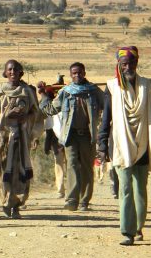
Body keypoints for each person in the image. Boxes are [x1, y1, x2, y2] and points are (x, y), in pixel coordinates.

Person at [98, 46, 151, 245]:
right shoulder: (112, 87)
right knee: (124, 188)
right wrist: (101, 144)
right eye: (124, 64)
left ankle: (139, 227)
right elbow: (106, 118)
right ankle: (127, 232)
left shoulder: (149, 86)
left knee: (140, 188)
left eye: (131, 63)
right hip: (121, 145)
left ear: (137, 63)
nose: (128, 67)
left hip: (144, 143)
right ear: (119, 65)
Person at [39, 62, 103, 211]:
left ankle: (84, 201)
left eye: (80, 72)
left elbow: (106, 105)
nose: (77, 75)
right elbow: (51, 109)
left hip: (88, 135)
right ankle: (72, 200)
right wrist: (43, 95)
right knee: (72, 165)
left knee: (87, 168)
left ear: (84, 73)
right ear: (70, 75)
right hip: (71, 135)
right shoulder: (66, 92)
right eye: (74, 73)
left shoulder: (93, 91)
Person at [0, 60, 44, 218]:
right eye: (9, 70)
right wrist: (7, 115)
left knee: (19, 171)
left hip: (21, 138)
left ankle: (16, 204)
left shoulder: (27, 92)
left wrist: (25, 117)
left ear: (21, 73)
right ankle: (6, 201)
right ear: (5, 72)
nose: (12, 72)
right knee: (3, 171)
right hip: (4, 140)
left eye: (16, 70)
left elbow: (36, 114)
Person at [42, 75, 66, 198]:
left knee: (72, 164)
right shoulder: (52, 109)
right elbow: (49, 128)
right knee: (59, 164)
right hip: (57, 142)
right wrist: (47, 144)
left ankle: (72, 189)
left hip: (71, 138)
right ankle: (61, 189)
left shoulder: (70, 106)